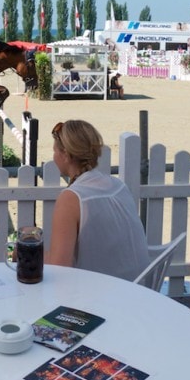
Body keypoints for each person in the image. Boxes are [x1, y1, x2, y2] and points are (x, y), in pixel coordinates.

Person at [44, 120, 149, 281]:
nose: (54, 156)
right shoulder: (118, 186)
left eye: (55, 151)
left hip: (100, 299)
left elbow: (59, 270)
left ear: (65, 155)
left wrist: (28, 252)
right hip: (138, 292)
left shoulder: (71, 199)